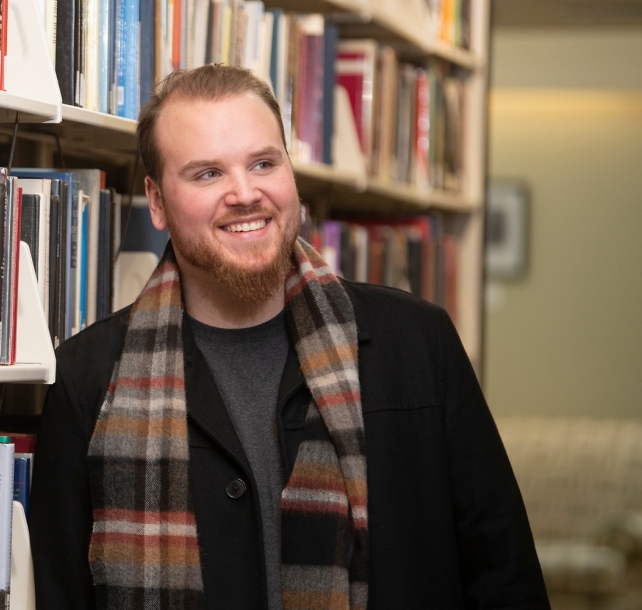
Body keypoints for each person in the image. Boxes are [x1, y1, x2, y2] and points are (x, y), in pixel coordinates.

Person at [28, 65, 549, 610]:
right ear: (156, 201)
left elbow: (505, 578)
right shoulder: (88, 379)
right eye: (207, 174)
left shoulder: (418, 344)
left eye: (263, 163)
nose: (245, 193)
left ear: (290, 173)